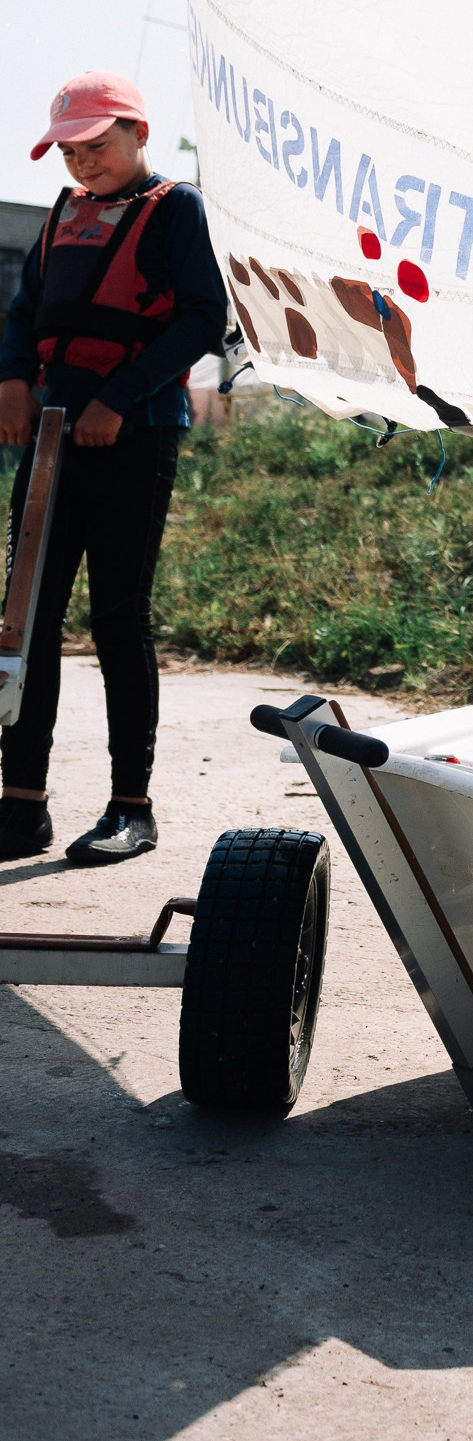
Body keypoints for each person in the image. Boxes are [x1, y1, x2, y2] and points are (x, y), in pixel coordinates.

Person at [0, 74, 227, 863]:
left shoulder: (176, 209)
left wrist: (121, 400)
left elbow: (203, 315)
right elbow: (25, 313)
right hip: (53, 434)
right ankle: (21, 805)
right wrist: (13, 380)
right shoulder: (64, 212)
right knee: (24, 623)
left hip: (133, 434)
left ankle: (132, 807)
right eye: (68, 150)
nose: (82, 162)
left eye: (96, 144)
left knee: (116, 619)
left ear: (137, 132)